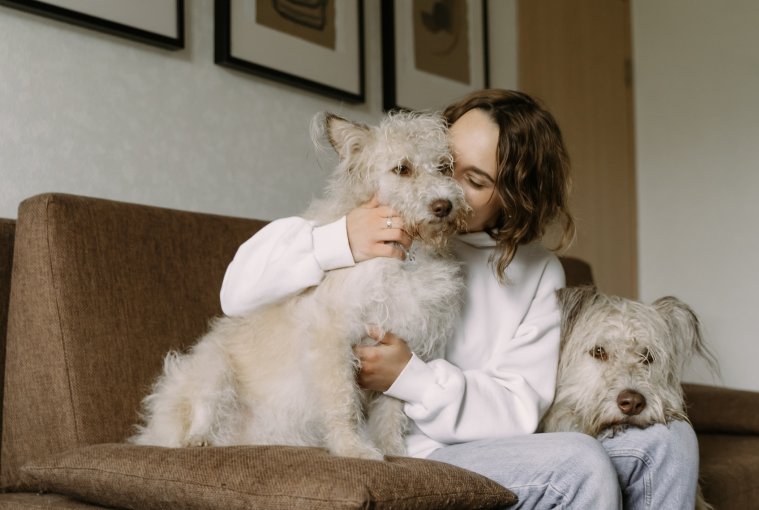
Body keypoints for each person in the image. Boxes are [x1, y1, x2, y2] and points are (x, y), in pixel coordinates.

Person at [220, 89, 700, 509]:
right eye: (446, 162)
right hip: (407, 448)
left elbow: (517, 409)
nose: (441, 189)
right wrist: (340, 240)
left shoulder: (534, 273)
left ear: (514, 196)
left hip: (476, 442)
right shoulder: (370, 220)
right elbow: (236, 292)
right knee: (579, 460)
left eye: (473, 180)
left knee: (670, 441)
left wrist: (412, 377)